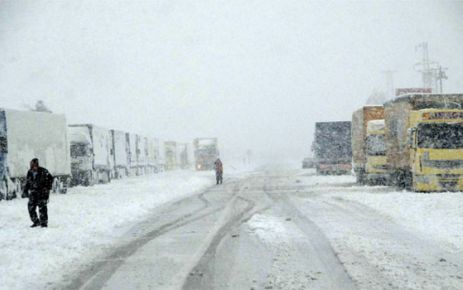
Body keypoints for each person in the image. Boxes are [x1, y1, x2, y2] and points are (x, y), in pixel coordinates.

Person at [22, 158, 54, 228]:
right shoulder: (29, 172)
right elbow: (27, 182)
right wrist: (25, 191)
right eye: (31, 165)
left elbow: (51, 179)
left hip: (42, 193)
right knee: (31, 208)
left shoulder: (43, 171)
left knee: (42, 209)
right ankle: (36, 222)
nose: (33, 166)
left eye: (34, 165)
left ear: (37, 164)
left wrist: (47, 188)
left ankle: (44, 223)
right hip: (33, 193)